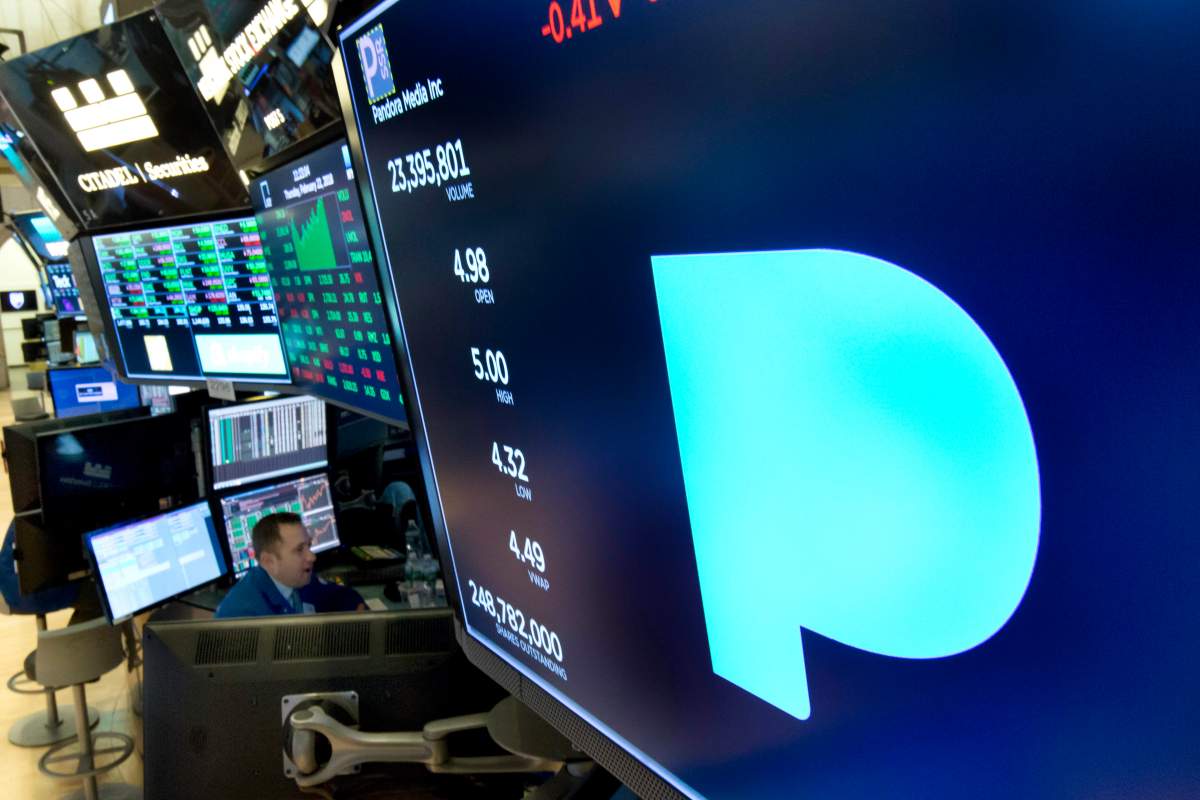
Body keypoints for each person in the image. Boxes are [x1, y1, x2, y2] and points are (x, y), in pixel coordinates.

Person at [215, 512, 365, 619]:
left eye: (309, 546)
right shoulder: (242, 615)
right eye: (299, 550)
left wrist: (356, 609)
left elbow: (341, 596)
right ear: (268, 561)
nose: (312, 557)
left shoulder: (298, 578)